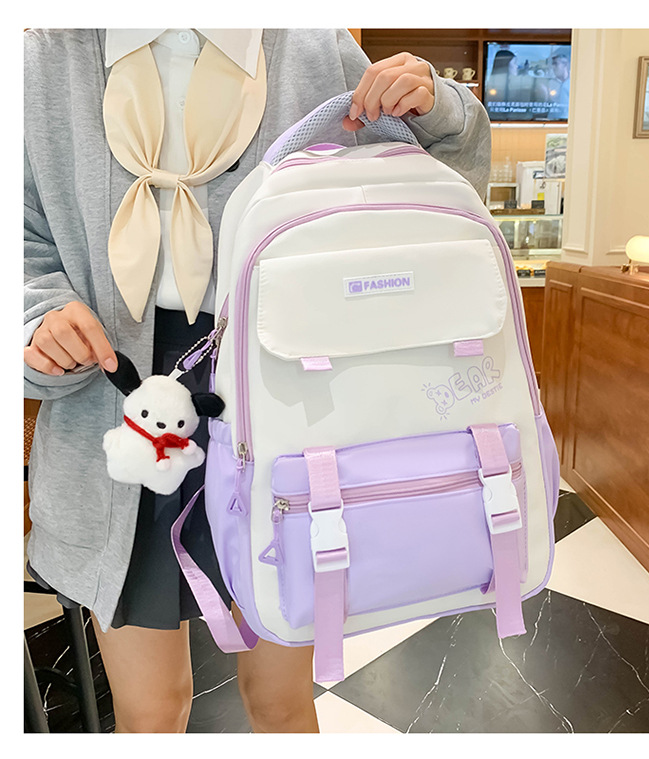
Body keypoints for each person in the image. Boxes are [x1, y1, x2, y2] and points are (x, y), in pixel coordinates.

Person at [24, 28, 491, 733]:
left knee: (281, 702)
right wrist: (38, 315)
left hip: (285, 394)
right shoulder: (45, 58)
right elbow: (21, 231)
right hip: (116, 399)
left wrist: (438, 108)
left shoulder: (312, 47)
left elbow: (435, 198)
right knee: (149, 713)